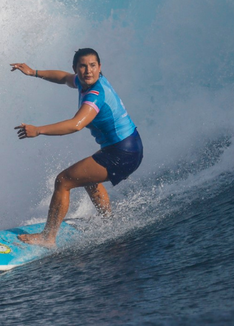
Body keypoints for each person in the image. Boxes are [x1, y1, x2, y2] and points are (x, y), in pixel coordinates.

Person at [10, 48, 143, 248]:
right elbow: (63, 78)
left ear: (100, 67)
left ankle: (48, 237)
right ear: (76, 68)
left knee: (63, 181)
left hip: (123, 152)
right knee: (86, 178)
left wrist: (38, 130)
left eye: (93, 65)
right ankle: (109, 221)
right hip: (129, 146)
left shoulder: (95, 95)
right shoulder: (83, 81)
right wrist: (34, 72)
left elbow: (76, 124)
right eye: (83, 66)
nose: (88, 70)